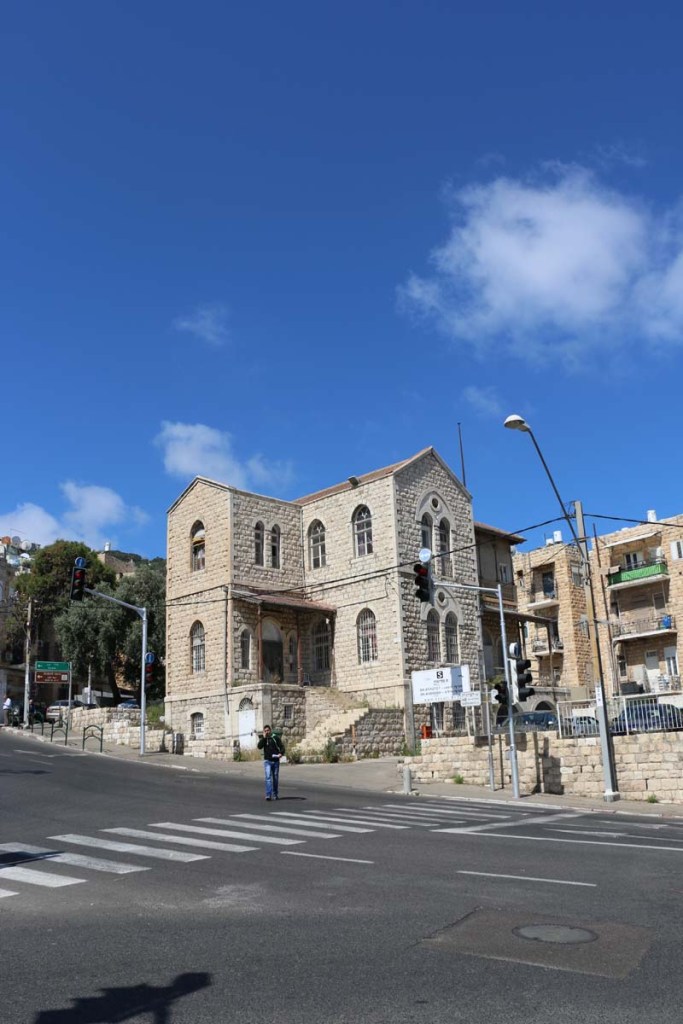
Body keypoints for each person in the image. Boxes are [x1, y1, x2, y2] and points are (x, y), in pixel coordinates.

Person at [257, 724, 285, 800]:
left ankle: (275, 794)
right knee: (268, 778)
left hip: (275, 761)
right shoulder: (264, 739)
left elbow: (282, 746)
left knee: (275, 778)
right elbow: (259, 746)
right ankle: (268, 795)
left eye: (268, 730)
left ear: (270, 730)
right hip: (267, 761)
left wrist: (281, 753)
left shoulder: (275, 737)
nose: (267, 732)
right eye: (265, 731)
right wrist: (264, 738)